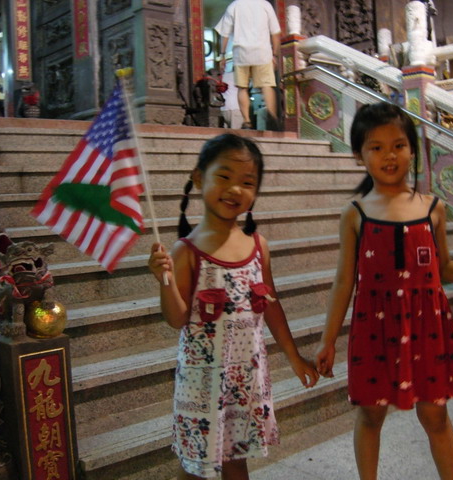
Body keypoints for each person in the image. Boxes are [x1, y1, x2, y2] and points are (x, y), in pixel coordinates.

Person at [315, 102, 453, 480]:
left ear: (412, 150)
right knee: (371, 413)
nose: (389, 155)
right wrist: (328, 340)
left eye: (398, 145)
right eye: (376, 147)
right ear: (359, 155)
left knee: (435, 414)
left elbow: (444, 267)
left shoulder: (433, 208)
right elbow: (344, 281)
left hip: (426, 326)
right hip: (373, 327)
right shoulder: (354, 213)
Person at [148, 133, 319, 479]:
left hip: (247, 379)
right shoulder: (187, 251)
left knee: (237, 460)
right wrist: (164, 280)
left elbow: (271, 307)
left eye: (247, 182)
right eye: (224, 176)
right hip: (202, 381)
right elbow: (177, 318)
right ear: (199, 178)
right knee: (196, 465)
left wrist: (294, 356)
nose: (235, 189)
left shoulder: (258, 245)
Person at [214, 0, 281, 130]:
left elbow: (224, 34)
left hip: (241, 54)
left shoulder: (234, 6)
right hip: (263, 53)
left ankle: (246, 121)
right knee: (267, 85)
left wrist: (222, 55)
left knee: (242, 88)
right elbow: (275, 33)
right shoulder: (265, 5)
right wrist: (275, 55)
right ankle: (272, 117)